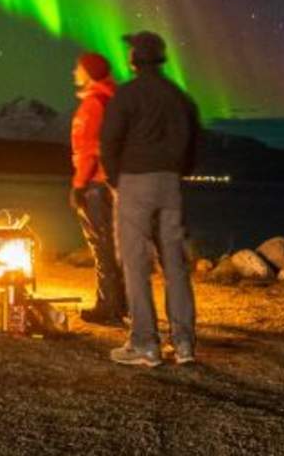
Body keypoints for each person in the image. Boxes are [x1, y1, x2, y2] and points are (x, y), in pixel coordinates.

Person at [99, 31, 202, 367]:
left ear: (134, 59)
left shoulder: (127, 96)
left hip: (135, 183)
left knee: (135, 263)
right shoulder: (181, 98)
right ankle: (184, 344)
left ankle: (145, 343)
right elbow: (194, 145)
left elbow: (109, 141)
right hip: (170, 184)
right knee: (175, 263)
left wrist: (117, 180)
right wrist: (176, 172)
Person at [68, 51, 125, 325]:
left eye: (77, 68)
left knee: (101, 246)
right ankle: (120, 304)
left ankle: (109, 308)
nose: (73, 73)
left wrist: (79, 185)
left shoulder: (94, 104)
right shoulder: (113, 100)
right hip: (113, 184)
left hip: (96, 184)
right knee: (112, 246)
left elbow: (90, 149)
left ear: (89, 72)